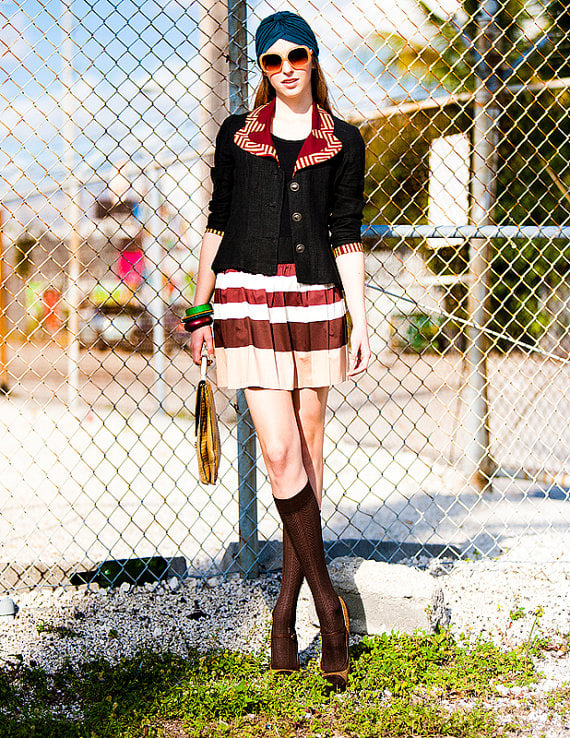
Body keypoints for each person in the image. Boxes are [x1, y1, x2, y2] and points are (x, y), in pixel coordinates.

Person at [187, 10, 371, 691]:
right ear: (261, 69)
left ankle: (284, 610)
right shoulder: (236, 136)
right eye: (272, 59)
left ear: (314, 59)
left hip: (318, 299)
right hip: (244, 297)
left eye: (297, 55)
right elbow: (217, 222)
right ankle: (329, 608)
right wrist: (199, 305)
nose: (287, 68)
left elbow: (346, 232)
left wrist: (362, 316)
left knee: (312, 444)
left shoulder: (344, 140)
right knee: (278, 449)